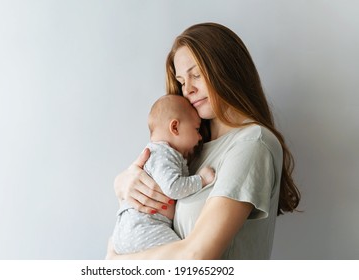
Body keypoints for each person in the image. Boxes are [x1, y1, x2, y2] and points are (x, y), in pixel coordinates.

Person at [107, 22, 300, 259]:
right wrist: (123, 183)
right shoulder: (189, 149)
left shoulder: (251, 144)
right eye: (181, 81)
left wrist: (115, 261)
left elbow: (198, 256)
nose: (187, 89)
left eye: (196, 75)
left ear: (227, 69)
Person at [112, 94, 215, 254]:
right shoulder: (163, 154)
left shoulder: (159, 154)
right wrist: (201, 180)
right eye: (196, 129)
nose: (200, 136)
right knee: (182, 256)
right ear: (175, 127)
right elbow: (173, 188)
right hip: (144, 228)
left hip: (128, 230)